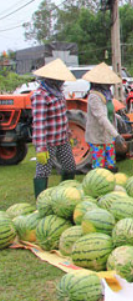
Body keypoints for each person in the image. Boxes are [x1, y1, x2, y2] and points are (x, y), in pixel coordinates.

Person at [31, 59, 77, 198]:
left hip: (62, 139)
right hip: (48, 142)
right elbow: (39, 122)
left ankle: (65, 196)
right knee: (43, 171)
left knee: (70, 166)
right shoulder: (40, 95)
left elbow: (63, 117)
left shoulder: (58, 93)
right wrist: (40, 147)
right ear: (51, 79)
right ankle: (41, 201)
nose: (62, 82)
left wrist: (68, 135)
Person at [83, 63, 127, 172]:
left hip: (107, 135)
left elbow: (107, 110)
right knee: (100, 168)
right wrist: (116, 135)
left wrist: (117, 117)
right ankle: (98, 185)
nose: (109, 86)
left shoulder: (106, 94)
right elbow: (101, 117)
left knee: (111, 166)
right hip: (97, 136)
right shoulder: (94, 97)